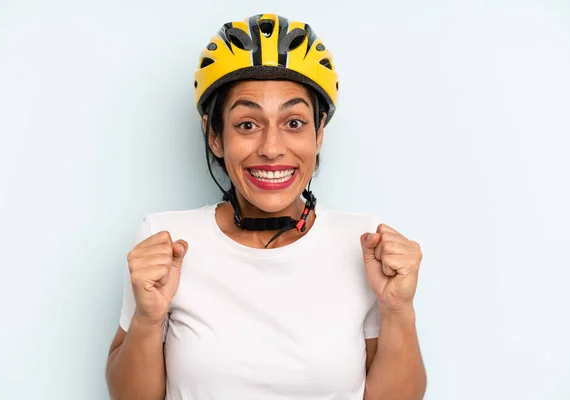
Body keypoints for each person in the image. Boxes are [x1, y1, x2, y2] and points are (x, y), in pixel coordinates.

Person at [105, 13, 426, 400]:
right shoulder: (165, 240)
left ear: (319, 133)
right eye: (247, 125)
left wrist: (398, 309)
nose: (272, 149)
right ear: (215, 136)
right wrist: (147, 318)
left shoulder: (365, 243)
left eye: (293, 122)